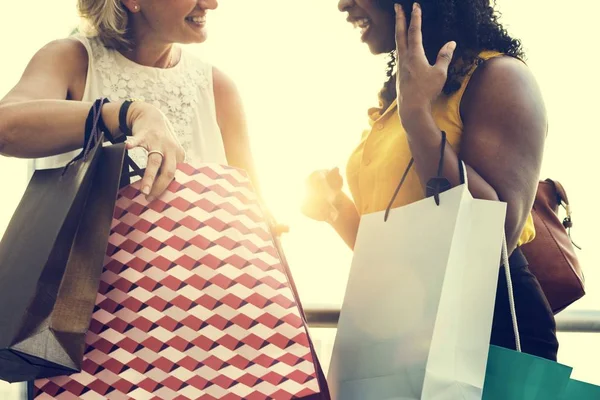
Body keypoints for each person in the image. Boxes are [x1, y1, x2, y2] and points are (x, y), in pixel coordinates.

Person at [302, 0, 558, 360]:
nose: (343, 4)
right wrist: (336, 209)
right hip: (405, 326)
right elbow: (399, 251)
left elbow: (494, 235)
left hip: (487, 332)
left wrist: (417, 118)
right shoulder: (403, 92)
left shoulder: (499, 77)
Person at [0, 0, 261, 205]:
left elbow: (252, 210)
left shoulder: (218, 87)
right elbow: (5, 127)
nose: (211, 3)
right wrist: (127, 113)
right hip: (84, 274)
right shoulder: (71, 60)